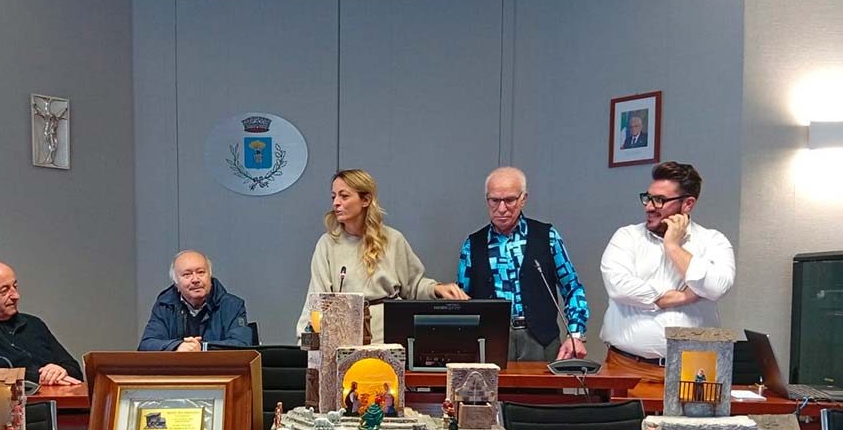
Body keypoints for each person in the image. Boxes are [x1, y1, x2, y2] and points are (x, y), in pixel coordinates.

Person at [296, 169, 467, 344]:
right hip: (345, 338)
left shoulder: (393, 239)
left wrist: (436, 289)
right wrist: (306, 339)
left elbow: (414, 285)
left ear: (365, 200)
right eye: (334, 197)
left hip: (390, 336)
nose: (336, 203)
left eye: (344, 196)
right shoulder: (327, 244)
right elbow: (317, 300)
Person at [600, 161, 736, 380]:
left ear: (688, 204)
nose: (649, 207)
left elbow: (716, 287)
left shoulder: (713, 241)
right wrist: (677, 297)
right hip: (628, 365)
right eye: (648, 197)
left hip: (693, 369)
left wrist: (672, 246)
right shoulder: (626, 237)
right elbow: (619, 286)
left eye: (660, 200)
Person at [456, 167, 589, 362]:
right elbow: (462, 300)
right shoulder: (472, 244)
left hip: (541, 339)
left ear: (523, 199)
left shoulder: (547, 236)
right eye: (494, 200)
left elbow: (572, 288)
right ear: (487, 200)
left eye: (509, 200)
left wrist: (575, 334)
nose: (502, 208)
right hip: (491, 341)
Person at [0, 260, 83, 385]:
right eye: (4, 290)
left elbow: (74, 369)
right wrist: (38, 377)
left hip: (57, 401)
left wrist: (59, 371)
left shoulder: (34, 324)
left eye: (15, 287)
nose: (16, 296)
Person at [139, 250, 252, 352]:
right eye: (187, 274)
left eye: (201, 272)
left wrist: (202, 347)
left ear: (210, 277)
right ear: (176, 284)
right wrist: (177, 346)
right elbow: (146, 344)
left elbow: (241, 344)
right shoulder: (164, 305)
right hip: (177, 368)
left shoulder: (232, 305)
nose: (195, 279)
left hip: (218, 368)